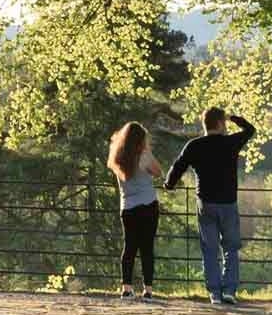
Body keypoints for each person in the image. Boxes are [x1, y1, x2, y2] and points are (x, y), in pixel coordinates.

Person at [161, 106, 257, 304]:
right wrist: (234, 118)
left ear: (205, 124)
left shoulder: (194, 145)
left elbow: (178, 165)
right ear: (221, 124)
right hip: (228, 203)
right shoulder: (231, 142)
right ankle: (229, 290)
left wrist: (169, 184)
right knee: (230, 247)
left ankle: (214, 293)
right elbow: (250, 130)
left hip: (206, 203)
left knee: (209, 249)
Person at [106, 121, 161, 296]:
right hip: (147, 206)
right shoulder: (144, 156)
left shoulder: (118, 158)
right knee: (146, 248)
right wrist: (149, 152)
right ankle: (148, 289)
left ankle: (127, 288)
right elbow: (158, 172)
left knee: (129, 248)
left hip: (128, 207)